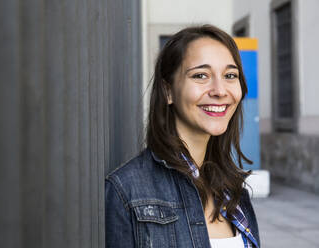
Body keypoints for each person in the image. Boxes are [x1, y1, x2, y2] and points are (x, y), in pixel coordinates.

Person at [105, 24, 260, 248]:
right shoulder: (125, 191)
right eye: (201, 75)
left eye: (230, 75)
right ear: (168, 91)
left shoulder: (234, 193)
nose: (219, 90)